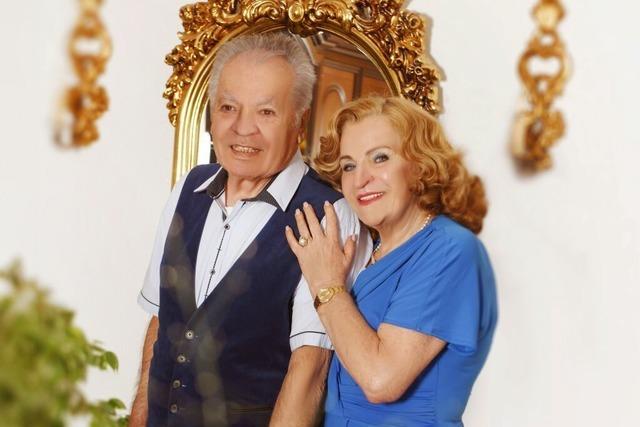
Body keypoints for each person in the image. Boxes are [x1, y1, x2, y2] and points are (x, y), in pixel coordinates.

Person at [130, 32, 371, 427]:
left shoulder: (328, 215)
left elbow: (309, 372)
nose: (243, 129)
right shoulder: (188, 188)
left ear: (299, 120)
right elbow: (160, 323)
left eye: (266, 112)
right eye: (228, 107)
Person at [285, 96, 498, 427]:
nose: (360, 179)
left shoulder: (450, 249)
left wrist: (325, 284)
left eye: (380, 158)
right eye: (349, 165)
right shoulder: (369, 249)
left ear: (420, 165)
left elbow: (380, 380)